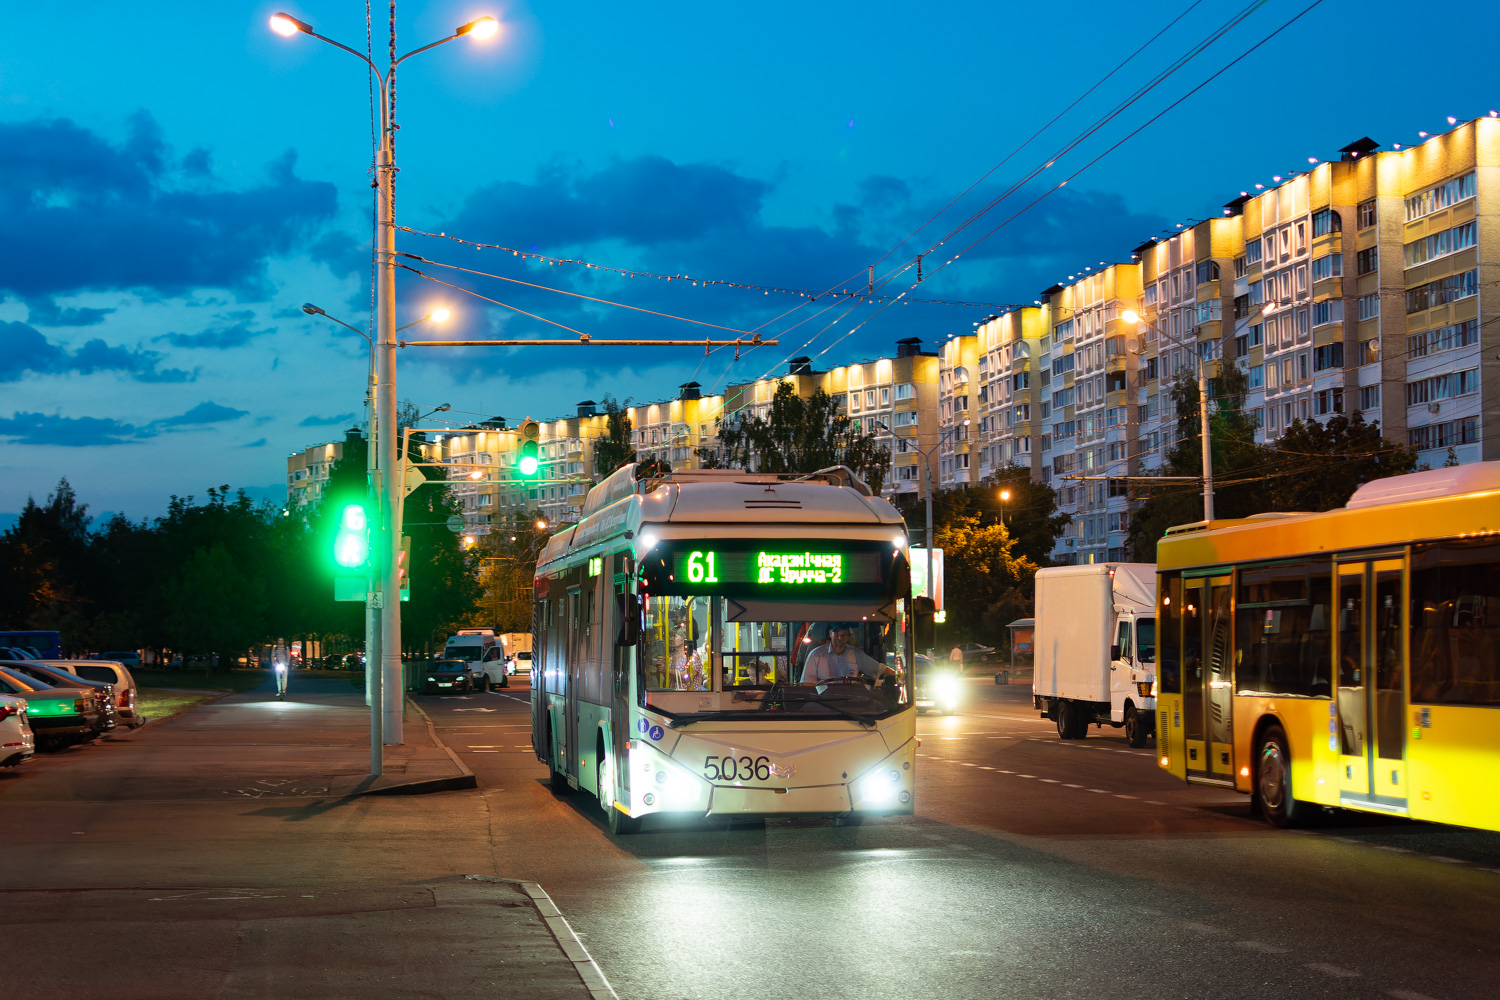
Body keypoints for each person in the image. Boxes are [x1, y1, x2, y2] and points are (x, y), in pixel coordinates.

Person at [802, 624, 895, 685]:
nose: (839, 637)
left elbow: (878, 669)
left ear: (848, 636)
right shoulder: (816, 655)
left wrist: (899, 675)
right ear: (830, 634)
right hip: (824, 706)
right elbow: (807, 684)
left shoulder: (856, 654)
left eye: (843, 634)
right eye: (836, 633)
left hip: (852, 706)